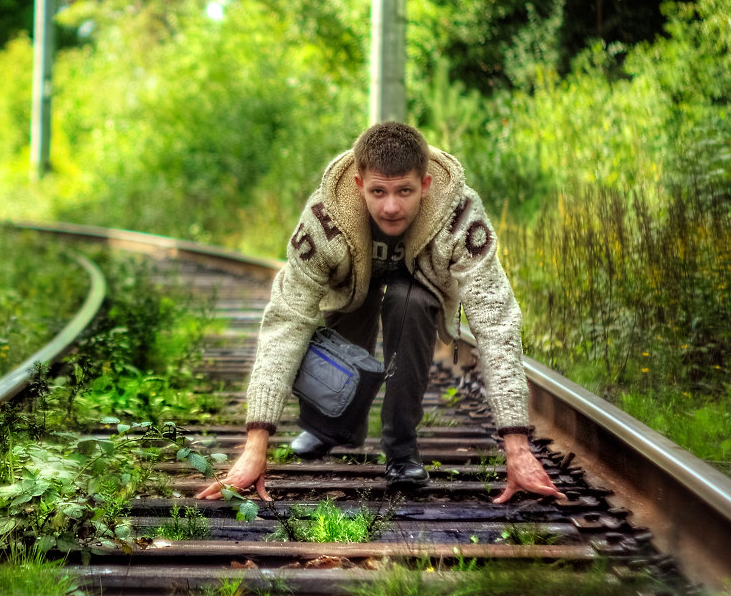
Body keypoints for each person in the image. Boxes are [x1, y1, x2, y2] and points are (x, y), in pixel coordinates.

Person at [196, 122, 562, 502]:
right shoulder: (326, 218)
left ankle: (401, 448)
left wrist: (516, 445)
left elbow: (495, 319)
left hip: (419, 290)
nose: (391, 207)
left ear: (426, 183)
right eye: (378, 192)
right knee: (349, 303)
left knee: (409, 300)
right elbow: (286, 319)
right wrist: (256, 446)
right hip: (350, 291)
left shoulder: (461, 217)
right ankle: (332, 424)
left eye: (404, 191)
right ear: (358, 185)